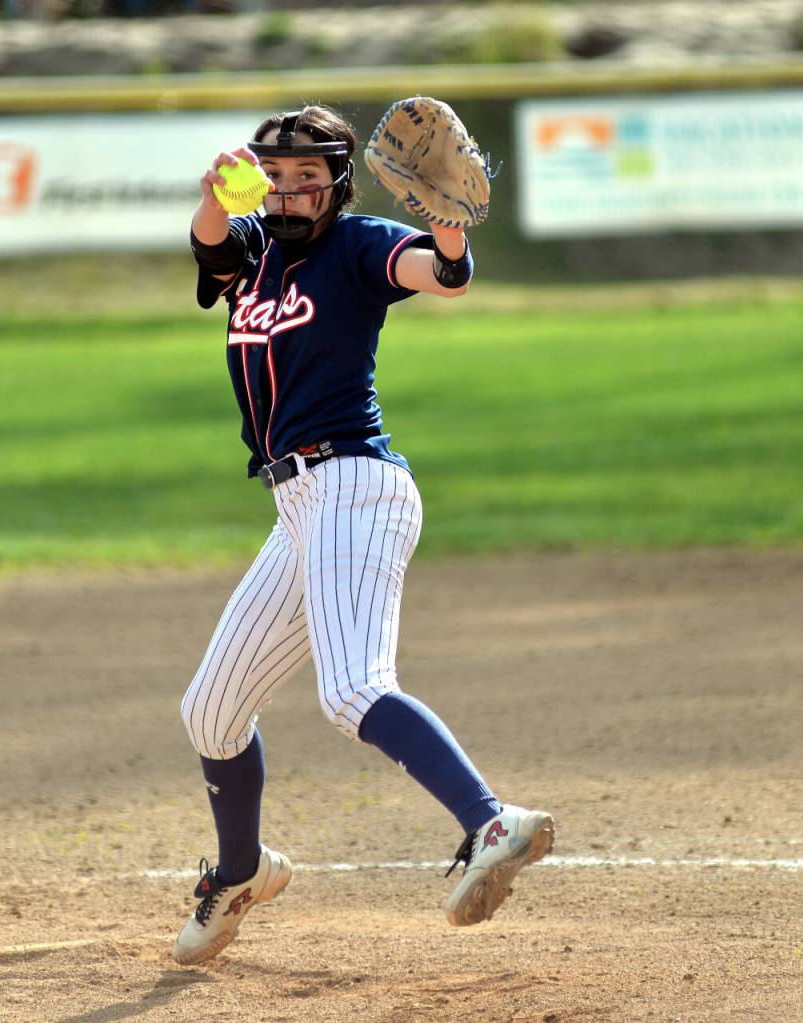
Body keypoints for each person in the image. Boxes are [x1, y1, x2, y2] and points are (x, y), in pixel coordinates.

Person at [174, 104, 555, 967]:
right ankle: (240, 870)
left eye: (306, 175)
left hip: (356, 484)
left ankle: (491, 821)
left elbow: (442, 274)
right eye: (276, 175)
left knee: (352, 690)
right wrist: (215, 195)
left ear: (337, 183)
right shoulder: (252, 251)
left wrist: (448, 227)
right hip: (296, 507)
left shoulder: (356, 245)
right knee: (210, 709)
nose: (288, 189)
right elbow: (209, 245)